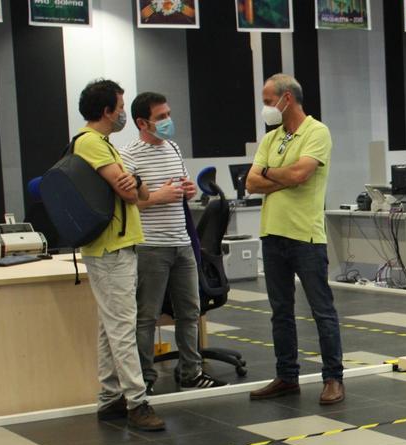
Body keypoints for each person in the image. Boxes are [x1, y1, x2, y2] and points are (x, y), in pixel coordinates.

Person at [244, 74, 345, 404]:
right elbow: (250, 183)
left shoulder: (317, 132)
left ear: (287, 98)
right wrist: (281, 178)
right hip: (272, 234)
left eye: (268, 99)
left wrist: (270, 174)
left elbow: (301, 175)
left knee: (321, 310)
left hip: (306, 235)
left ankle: (333, 378)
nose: (265, 107)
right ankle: (287, 376)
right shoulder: (271, 139)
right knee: (280, 311)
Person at [74, 79, 165, 431]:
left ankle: (110, 396)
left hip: (115, 244)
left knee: (109, 325)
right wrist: (132, 182)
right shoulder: (92, 144)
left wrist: (133, 180)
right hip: (110, 246)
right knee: (123, 326)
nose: (124, 112)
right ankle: (137, 402)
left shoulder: (101, 144)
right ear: (107, 111)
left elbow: (136, 188)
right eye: (121, 107)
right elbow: (130, 194)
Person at [123, 91, 226, 394]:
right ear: (143, 122)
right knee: (147, 316)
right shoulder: (129, 156)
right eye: (161, 117)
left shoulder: (173, 148)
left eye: (168, 114)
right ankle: (144, 379)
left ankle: (191, 372)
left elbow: (180, 189)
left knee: (189, 311)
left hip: (182, 241)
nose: (168, 121)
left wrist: (188, 190)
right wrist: (157, 197)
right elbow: (126, 204)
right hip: (151, 246)